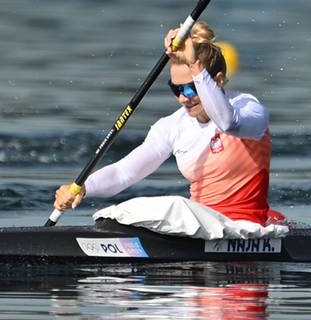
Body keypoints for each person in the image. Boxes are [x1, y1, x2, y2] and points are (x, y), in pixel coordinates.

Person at [52, 23, 277, 224]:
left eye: (190, 87)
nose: (182, 98)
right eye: (176, 89)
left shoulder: (248, 107)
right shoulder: (172, 125)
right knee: (130, 210)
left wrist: (195, 65)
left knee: (174, 205)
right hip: (199, 226)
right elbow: (124, 173)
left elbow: (228, 124)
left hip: (245, 227)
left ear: (217, 80)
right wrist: (83, 188)